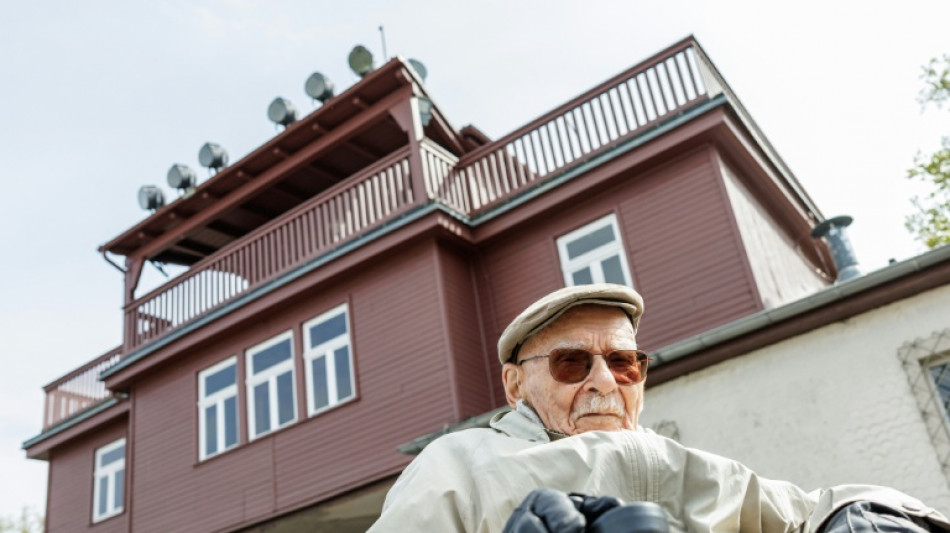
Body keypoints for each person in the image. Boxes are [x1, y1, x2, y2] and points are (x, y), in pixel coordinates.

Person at [368, 284, 949, 532]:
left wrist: (869, 513)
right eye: (572, 363)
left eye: (624, 363)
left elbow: (811, 510)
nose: (604, 381)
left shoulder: (695, 467)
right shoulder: (459, 465)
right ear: (516, 385)